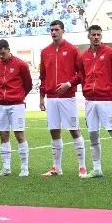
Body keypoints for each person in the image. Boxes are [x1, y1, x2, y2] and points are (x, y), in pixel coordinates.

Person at [79, 24, 112, 179]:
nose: (96, 37)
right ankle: (97, 168)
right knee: (93, 134)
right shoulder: (83, 56)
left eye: (98, 35)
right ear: (88, 36)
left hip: (106, 99)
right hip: (89, 100)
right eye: (93, 34)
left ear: (101, 36)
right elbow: (82, 76)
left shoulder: (111, 53)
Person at [39, 20, 86, 177]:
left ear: (63, 31)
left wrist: (68, 83)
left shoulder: (73, 50)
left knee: (74, 130)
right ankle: (56, 168)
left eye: (56, 29)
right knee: (54, 132)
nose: (53, 32)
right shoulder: (45, 51)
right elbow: (43, 76)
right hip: (51, 98)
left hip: (68, 97)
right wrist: (41, 97)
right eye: (51, 30)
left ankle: (82, 167)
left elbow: (81, 73)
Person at [0, 39, 32, 177]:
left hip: (16, 104)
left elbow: (28, 84)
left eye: (3, 53)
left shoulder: (21, 65)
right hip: (1, 105)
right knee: (3, 135)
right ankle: (6, 168)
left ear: (8, 50)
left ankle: (24, 168)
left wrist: (19, 96)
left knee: (19, 134)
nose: (1, 56)